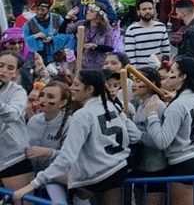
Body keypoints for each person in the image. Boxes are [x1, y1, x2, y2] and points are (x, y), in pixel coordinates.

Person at [15, 70, 135, 204]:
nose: (71, 88)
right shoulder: (111, 106)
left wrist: (32, 185)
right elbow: (135, 135)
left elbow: (67, 157)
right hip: (120, 167)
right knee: (78, 193)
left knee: (59, 180)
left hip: (98, 175)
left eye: (76, 85)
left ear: (89, 89)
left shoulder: (82, 115)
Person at [141, 57, 194, 205]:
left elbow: (162, 141)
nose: (168, 75)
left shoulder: (177, 106)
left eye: (172, 71)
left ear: (183, 77)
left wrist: (152, 114)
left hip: (183, 162)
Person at [25, 80, 72, 205]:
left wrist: (49, 153)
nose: (43, 100)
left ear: (62, 103)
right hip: (32, 175)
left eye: (50, 97)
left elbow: (71, 155)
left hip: (57, 178)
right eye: (42, 95)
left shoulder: (70, 124)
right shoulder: (34, 120)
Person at [128, 66, 169, 205]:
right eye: (133, 79)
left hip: (155, 170)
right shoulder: (140, 104)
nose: (134, 84)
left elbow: (158, 140)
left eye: (139, 80)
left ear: (151, 84)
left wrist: (136, 134)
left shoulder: (157, 106)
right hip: (140, 167)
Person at [0, 51, 33, 192]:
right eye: (1, 65)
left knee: (23, 201)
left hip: (13, 157)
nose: (4, 71)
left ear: (16, 73)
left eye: (10, 68)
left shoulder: (18, 92)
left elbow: (11, 115)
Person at [123, 0, 171, 65]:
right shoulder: (132, 30)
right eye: (144, 9)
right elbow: (130, 54)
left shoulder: (161, 27)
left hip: (158, 71)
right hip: (140, 72)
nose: (147, 11)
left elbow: (166, 51)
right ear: (138, 12)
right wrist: (134, 73)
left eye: (150, 8)